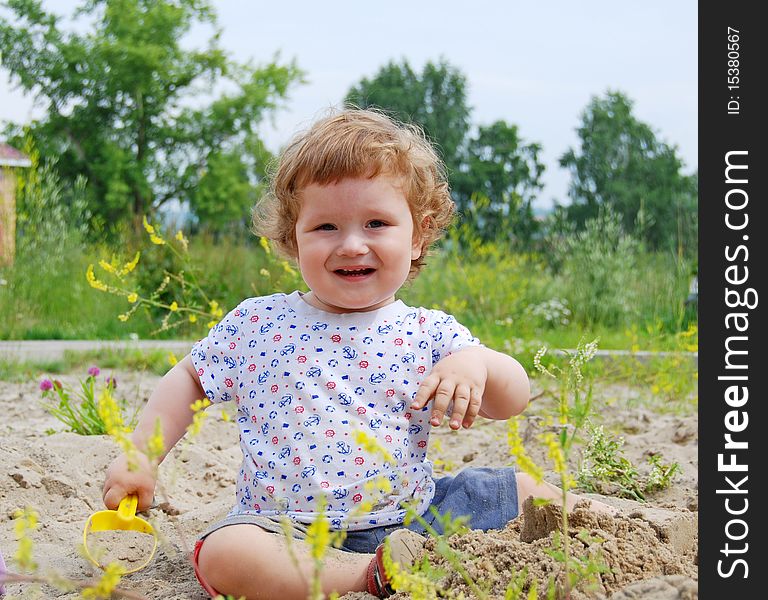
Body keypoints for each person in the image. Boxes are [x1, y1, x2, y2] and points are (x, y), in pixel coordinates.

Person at [102, 108, 614, 600]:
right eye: (325, 227)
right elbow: (189, 380)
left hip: (416, 519)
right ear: (291, 239)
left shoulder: (429, 332)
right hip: (287, 530)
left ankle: (625, 527)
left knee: (516, 489)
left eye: (376, 224)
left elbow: (515, 397)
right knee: (226, 551)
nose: (351, 245)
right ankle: (368, 577)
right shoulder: (258, 323)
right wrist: (140, 458)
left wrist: (475, 364)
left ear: (419, 235)